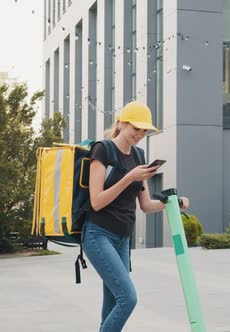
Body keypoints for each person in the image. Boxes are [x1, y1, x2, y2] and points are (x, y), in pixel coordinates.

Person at [82, 101, 190, 332]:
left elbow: (146, 205)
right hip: (98, 234)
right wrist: (129, 177)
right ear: (121, 123)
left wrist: (173, 202)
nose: (140, 134)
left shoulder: (139, 155)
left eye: (144, 130)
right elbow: (97, 201)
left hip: (123, 239)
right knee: (127, 298)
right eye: (136, 128)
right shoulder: (103, 150)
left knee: (112, 303)